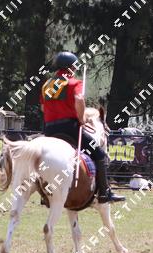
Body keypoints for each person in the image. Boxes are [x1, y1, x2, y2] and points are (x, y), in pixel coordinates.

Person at [40, 51, 124, 204]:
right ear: (71, 67)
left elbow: (42, 108)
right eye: (74, 66)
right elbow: (79, 99)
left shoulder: (47, 85)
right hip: (70, 128)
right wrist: (82, 119)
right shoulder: (73, 83)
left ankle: (44, 194)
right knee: (99, 154)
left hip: (49, 130)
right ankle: (105, 193)